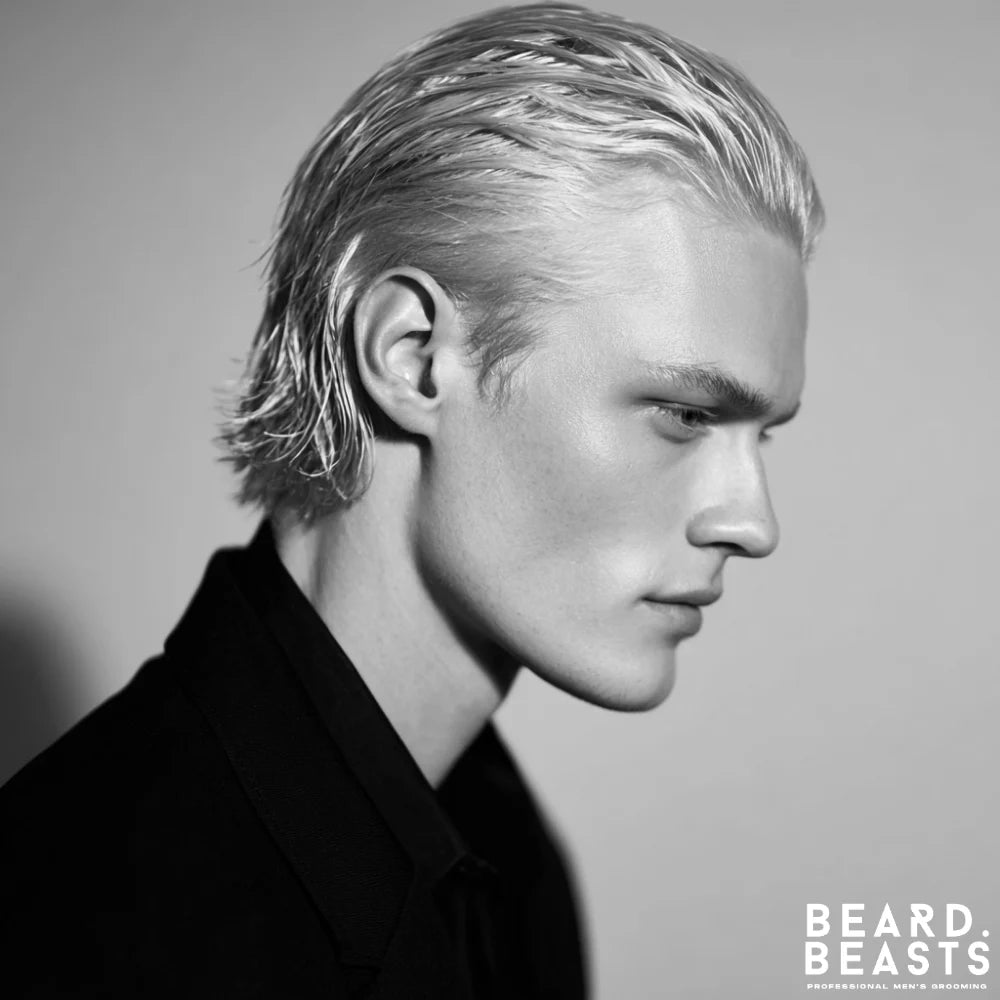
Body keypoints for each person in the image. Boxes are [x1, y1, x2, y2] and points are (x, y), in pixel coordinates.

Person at [0, 3, 823, 997]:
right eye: (686, 414)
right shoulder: (83, 926)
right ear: (412, 358)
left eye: (760, 432)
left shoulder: (502, 860)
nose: (753, 522)